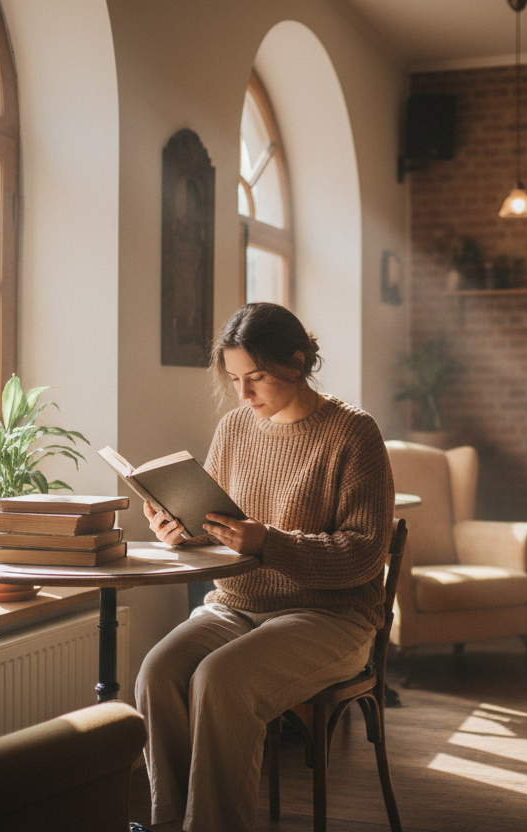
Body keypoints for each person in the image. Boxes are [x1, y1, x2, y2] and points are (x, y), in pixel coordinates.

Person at [135, 302, 395, 832]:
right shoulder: (234, 430)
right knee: (156, 674)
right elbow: (213, 528)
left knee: (220, 680)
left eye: (255, 378)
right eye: (233, 380)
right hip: (237, 606)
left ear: (296, 364)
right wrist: (179, 535)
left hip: (333, 617)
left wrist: (271, 544)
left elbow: (366, 552)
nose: (243, 395)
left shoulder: (354, 434)